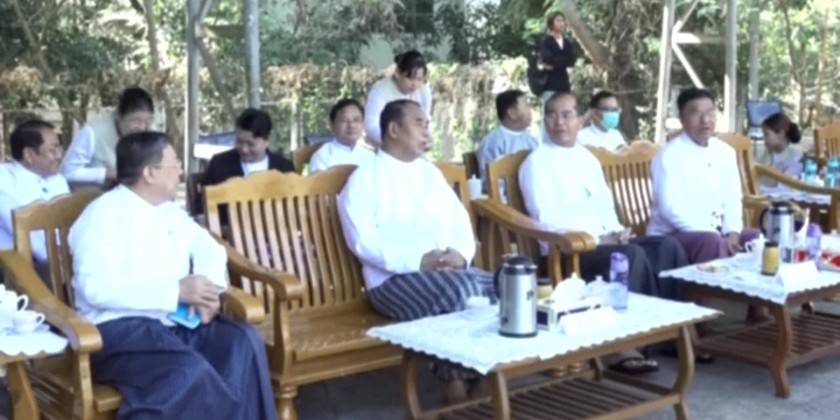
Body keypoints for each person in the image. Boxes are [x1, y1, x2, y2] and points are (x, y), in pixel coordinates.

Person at [68, 131, 276, 420]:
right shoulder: (102, 215)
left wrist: (207, 293)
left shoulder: (168, 211)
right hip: (118, 330)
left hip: (175, 321)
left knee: (243, 342)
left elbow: (209, 247)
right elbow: (95, 288)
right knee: (188, 374)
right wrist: (175, 291)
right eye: (175, 163)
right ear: (150, 172)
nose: (181, 171)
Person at [519, 92, 691, 374]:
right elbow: (547, 220)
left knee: (666, 247)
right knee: (629, 256)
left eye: (567, 115)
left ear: (580, 120)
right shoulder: (537, 162)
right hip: (569, 252)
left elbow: (605, 207)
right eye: (552, 115)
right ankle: (622, 344)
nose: (559, 122)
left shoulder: (587, 157)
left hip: (604, 242)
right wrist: (599, 239)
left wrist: (617, 232)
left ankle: (668, 333)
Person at [339, 99, 492, 403]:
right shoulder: (364, 179)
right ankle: (459, 387)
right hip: (393, 281)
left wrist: (461, 255)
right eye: (419, 123)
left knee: (503, 285)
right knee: (462, 291)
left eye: (427, 124)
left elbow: (459, 220)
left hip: (448, 273)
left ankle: (484, 378)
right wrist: (419, 262)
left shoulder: (429, 173)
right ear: (394, 129)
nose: (426, 131)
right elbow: (362, 242)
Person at [648, 88, 760, 264]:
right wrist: (714, 234)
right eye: (696, 113)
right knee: (712, 242)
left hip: (716, 231)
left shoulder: (725, 152)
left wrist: (733, 233)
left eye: (710, 112)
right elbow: (670, 210)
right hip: (672, 235)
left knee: (758, 239)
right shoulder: (669, 156)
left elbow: (732, 199)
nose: (705, 120)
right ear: (682, 119)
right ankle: (711, 283)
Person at [198, 108, 294, 213]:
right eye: (239, 142)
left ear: (267, 139)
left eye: (251, 144)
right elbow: (201, 204)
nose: (244, 149)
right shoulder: (220, 164)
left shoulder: (284, 168)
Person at [0, 119, 69, 264]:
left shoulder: (58, 179)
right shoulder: (4, 179)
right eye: (53, 150)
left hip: (63, 259)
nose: (59, 156)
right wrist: (57, 262)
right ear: (29, 155)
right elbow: (22, 227)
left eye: (59, 149)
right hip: (18, 266)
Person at [62, 87, 154, 190]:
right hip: (90, 196)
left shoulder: (150, 135)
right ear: (119, 116)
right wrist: (107, 173)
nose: (142, 127)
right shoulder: (92, 132)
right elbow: (67, 172)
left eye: (148, 121)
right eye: (136, 120)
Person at [364, 50, 433, 144]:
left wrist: (425, 139)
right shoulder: (380, 91)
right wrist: (398, 143)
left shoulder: (424, 91)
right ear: (397, 72)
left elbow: (426, 121)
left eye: (419, 79)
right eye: (410, 78)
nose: (415, 84)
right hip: (383, 146)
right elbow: (371, 126)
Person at [475, 89, 538, 183]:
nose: (530, 111)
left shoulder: (532, 141)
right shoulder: (492, 143)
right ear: (512, 113)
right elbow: (489, 182)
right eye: (526, 106)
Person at [309, 98, 375, 173]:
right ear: (332, 125)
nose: (351, 125)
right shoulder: (323, 156)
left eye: (356, 120)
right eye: (344, 120)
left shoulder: (371, 156)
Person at [538, 11, 577, 104]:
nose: (561, 23)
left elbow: (572, 60)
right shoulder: (546, 41)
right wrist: (563, 61)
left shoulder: (567, 42)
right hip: (550, 83)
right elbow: (547, 58)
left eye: (563, 21)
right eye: (558, 21)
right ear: (551, 23)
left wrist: (554, 63)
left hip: (564, 83)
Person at [757, 112, 803, 188]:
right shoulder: (767, 151)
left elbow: (788, 181)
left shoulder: (796, 153)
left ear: (781, 134)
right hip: (761, 191)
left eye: (766, 135)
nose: (764, 139)